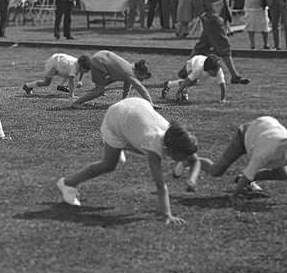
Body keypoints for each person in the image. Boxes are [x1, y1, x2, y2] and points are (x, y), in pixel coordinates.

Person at [56, 97, 201, 225]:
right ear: (171, 150)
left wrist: (192, 180)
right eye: (183, 157)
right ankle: (68, 183)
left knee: (137, 143)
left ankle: (119, 148)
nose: (187, 158)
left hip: (136, 106)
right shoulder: (153, 147)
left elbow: (195, 160)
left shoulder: (175, 137)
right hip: (116, 117)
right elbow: (160, 184)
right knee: (108, 165)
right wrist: (167, 214)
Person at [69, 49, 154, 107]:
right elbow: (140, 88)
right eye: (142, 77)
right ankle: (76, 103)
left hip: (101, 56)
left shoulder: (129, 69)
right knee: (100, 91)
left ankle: (92, 92)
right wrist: (150, 103)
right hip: (98, 62)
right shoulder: (129, 73)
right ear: (139, 72)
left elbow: (127, 84)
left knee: (104, 84)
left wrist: (124, 101)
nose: (142, 80)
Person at [159, 54, 227, 103]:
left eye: (217, 70)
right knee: (192, 81)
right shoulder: (198, 69)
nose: (215, 73)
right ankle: (182, 92)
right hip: (192, 62)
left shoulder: (218, 70)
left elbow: (222, 85)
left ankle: (168, 84)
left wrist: (223, 99)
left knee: (193, 81)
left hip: (200, 59)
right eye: (213, 71)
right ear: (208, 69)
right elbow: (186, 81)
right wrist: (178, 92)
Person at [22, 53, 92, 98]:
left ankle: (61, 86)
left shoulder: (79, 65)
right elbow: (71, 81)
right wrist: (72, 95)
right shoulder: (73, 66)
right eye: (86, 69)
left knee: (70, 74)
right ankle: (28, 86)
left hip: (60, 62)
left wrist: (80, 81)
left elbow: (81, 71)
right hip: (53, 64)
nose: (87, 71)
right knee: (46, 83)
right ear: (81, 66)